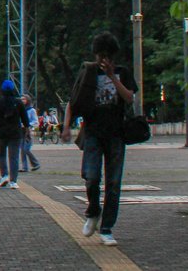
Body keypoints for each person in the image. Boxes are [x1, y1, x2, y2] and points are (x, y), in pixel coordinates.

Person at [62, 31, 138, 247]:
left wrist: (113, 77)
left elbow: (130, 98)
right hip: (93, 132)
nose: (104, 60)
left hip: (116, 133)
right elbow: (73, 101)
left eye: (108, 56)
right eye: (100, 56)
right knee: (92, 177)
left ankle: (107, 228)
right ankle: (93, 211)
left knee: (113, 183)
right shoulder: (88, 73)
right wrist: (66, 127)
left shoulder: (123, 73)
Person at [0, 81, 24, 188]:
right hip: (15, 133)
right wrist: (28, 132)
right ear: (13, 90)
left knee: (1, 155)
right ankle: (14, 182)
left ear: (2, 91)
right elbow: (25, 120)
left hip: (1, 133)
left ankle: (4, 176)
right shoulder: (19, 103)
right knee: (14, 157)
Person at [21, 95, 41, 171]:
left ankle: (36, 163)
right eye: (21, 99)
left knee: (26, 149)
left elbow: (36, 121)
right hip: (21, 131)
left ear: (28, 100)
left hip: (28, 132)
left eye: (24, 99)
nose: (22, 100)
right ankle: (24, 167)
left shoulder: (31, 110)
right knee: (22, 150)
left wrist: (27, 124)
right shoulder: (20, 110)